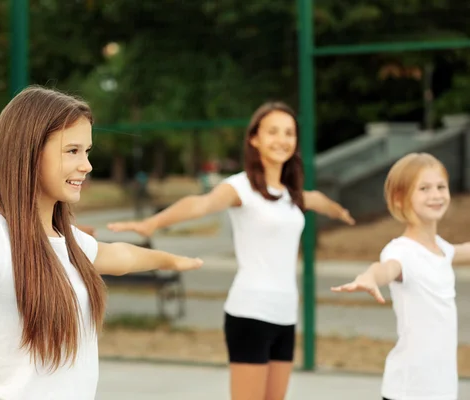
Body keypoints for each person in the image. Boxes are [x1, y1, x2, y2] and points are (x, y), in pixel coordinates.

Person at [0, 86, 202, 400]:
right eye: (72, 150)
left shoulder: (67, 240)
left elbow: (119, 256)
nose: (86, 165)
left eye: (86, 151)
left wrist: (170, 260)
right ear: (29, 154)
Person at [108, 101, 355, 400]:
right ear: (254, 139)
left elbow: (318, 199)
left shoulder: (294, 195)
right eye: (273, 131)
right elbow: (200, 204)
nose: (282, 139)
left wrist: (340, 211)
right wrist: (152, 223)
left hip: (285, 315)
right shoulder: (240, 187)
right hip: (250, 312)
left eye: (289, 133)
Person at [331, 153, 470, 400]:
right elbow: (386, 268)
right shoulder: (401, 251)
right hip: (409, 390)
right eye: (424, 188)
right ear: (399, 198)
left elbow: (464, 250)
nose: (436, 195)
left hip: (443, 389)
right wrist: (369, 277)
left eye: (441, 187)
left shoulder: (441, 248)